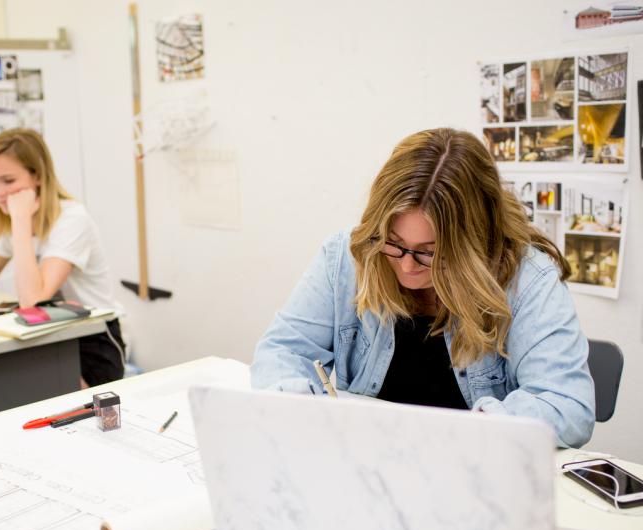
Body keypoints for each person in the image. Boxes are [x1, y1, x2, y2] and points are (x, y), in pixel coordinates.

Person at [251, 128, 595, 448]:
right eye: (394, 242)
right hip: (366, 462)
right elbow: (283, 351)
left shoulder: (527, 278)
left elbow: (566, 405)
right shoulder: (348, 255)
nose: (406, 265)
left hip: (470, 467)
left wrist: (477, 430)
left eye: (430, 252)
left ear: (474, 242)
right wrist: (294, 398)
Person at [0, 128, 125, 387]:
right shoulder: (16, 221)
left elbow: (34, 301)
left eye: (8, 180)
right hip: (49, 336)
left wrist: (20, 220)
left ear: (37, 175)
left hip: (92, 343)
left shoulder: (71, 220)